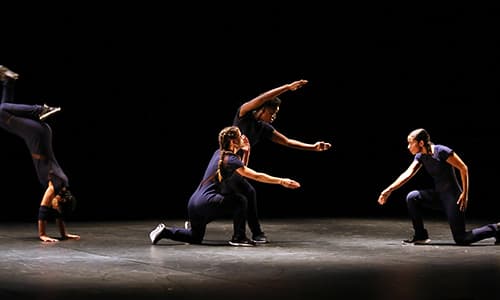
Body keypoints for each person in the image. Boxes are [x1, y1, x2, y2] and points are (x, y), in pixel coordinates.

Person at [149, 126, 300, 247]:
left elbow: (240, 173)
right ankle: (238, 237)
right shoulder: (230, 159)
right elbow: (255, 175)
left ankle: (165, 231)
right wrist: (281, 181)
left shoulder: (219, 154)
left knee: (195, 237)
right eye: (240, 136)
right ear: (233, 142)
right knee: (240, 201)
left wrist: (246, 152)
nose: (243, 137)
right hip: (206, 202)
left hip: (194, 203)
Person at [230, 79, 332, 243]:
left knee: (245, 194)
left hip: (240, 165)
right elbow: (263, 98)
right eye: (272, 112)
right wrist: (287, 88)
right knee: (242, 195)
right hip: (226, 163)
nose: (274, 116)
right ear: (261, 110)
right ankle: (240, 235)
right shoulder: (243, 115)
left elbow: (287, 141)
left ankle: (253, 233)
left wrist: (313, 147)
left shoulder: (263, 128)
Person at [377, 128, 500, 245]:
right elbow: (407, 174)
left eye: (410, 143)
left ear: (420, 143)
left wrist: (465, 194)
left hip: (453, 199)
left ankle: (496, 228)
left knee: (461, 238)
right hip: (439, 196)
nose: (408, 147)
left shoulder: (441, 151)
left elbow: (464, 168)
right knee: (412, 197)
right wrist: (388, 190)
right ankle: (421, 236)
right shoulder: (421, 156)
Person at [0, 65, 79, 242]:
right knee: (1, 112)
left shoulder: (62, 186)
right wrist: (43, 235)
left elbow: (59, 214)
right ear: (59, 201)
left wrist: (64, 234)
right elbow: (43, 210)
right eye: (56, 207)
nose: (54, 208)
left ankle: (8, 81)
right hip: (36, 136)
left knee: (3, 116)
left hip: (41, 135)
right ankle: (39, 109)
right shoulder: (55, 187)